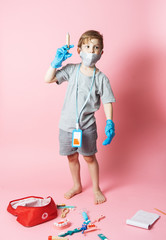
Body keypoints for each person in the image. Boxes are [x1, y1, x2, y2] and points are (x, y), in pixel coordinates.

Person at [45, 30, 115, 204]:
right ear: (79, 49)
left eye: (96, 47)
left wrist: (109, 121)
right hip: (67, 125)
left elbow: (107, 101)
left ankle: (96, 189)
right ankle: (77, 185)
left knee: (90, 157)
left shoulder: (101, 78)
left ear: (101, 53)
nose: (91, 51)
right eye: (88, 46)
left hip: (87, 126)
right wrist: (55, 63)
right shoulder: (71, 70)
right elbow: (48, 79)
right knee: (71, 157)